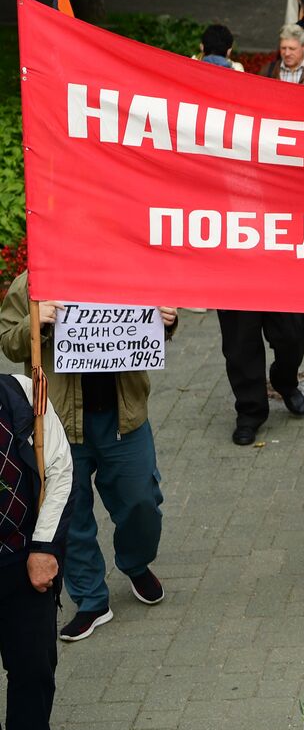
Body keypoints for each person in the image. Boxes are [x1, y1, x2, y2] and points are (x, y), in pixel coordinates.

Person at [0, 273, 175, 643]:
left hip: (123, 416)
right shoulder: (33, 281)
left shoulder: (130, 264)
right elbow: (9, 342)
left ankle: (135, 562)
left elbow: (158, 320)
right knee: (70, 514)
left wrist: (168, 320)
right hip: (59, 421)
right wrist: (36, 321)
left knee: (142, 501)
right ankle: (91, 599)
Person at [0, 364, 73, 730]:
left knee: (34, 663)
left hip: (23, 559)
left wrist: (44, 546)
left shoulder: (24, 393)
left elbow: (60, 471)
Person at [216, 307, 304, 446]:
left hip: (283, 286)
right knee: (241, 341)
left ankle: (284, 379)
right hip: (236, 287)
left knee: (292, 335)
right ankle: (250, 411)